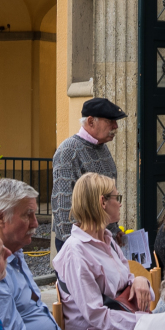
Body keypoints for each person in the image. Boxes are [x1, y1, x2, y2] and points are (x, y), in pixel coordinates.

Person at [0, 177, 122, 330]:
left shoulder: (16, 255)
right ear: (1, 218)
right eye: (28, 215)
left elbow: (38, 312)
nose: (36, 223)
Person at [52, 172, 153, 330]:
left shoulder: (107, 239)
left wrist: (140, 280)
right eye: (117, 198)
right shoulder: (76, 251)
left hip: (120, 327)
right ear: (103, 202)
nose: (120, 203)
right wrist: (142, 322)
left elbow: (126, 280)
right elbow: (96, 315)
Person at [51, 97, 124, 243]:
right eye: (110, 121)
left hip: (100, 239)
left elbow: (107, 198)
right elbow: (63, 207)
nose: (115, 126)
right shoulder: (69, 151)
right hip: (80, 244)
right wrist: (75, 246)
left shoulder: (102, 147)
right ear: (91, 121)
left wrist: (113, 231)